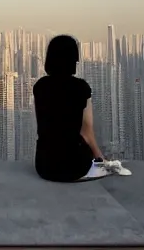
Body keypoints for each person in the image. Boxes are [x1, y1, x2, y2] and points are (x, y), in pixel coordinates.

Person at [33, 34, 105, 182]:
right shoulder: (81, 88)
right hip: (74, 167)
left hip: (44, 166)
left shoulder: (40, 86)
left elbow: (43, 125)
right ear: (74, 60)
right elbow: (87, 131)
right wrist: (100, 159)